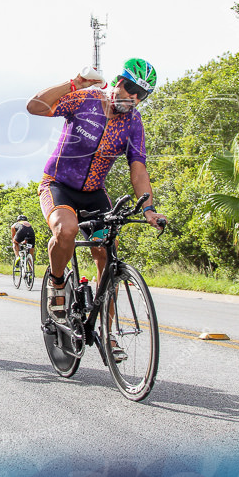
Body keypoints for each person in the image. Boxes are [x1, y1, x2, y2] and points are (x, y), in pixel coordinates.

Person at [26, 59, 167, 330]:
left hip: (94, 194)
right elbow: (34, 107)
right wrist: (74, 84)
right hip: (58, 185)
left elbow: (138, 169)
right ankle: (56, 285)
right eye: (132, 87)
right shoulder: (86, 99)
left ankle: (108, 331)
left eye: (143, 94)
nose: (135, 97)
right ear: (118, 81)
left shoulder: (134, 123)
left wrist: (149, 210)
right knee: (65, 230)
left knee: (107, 255)